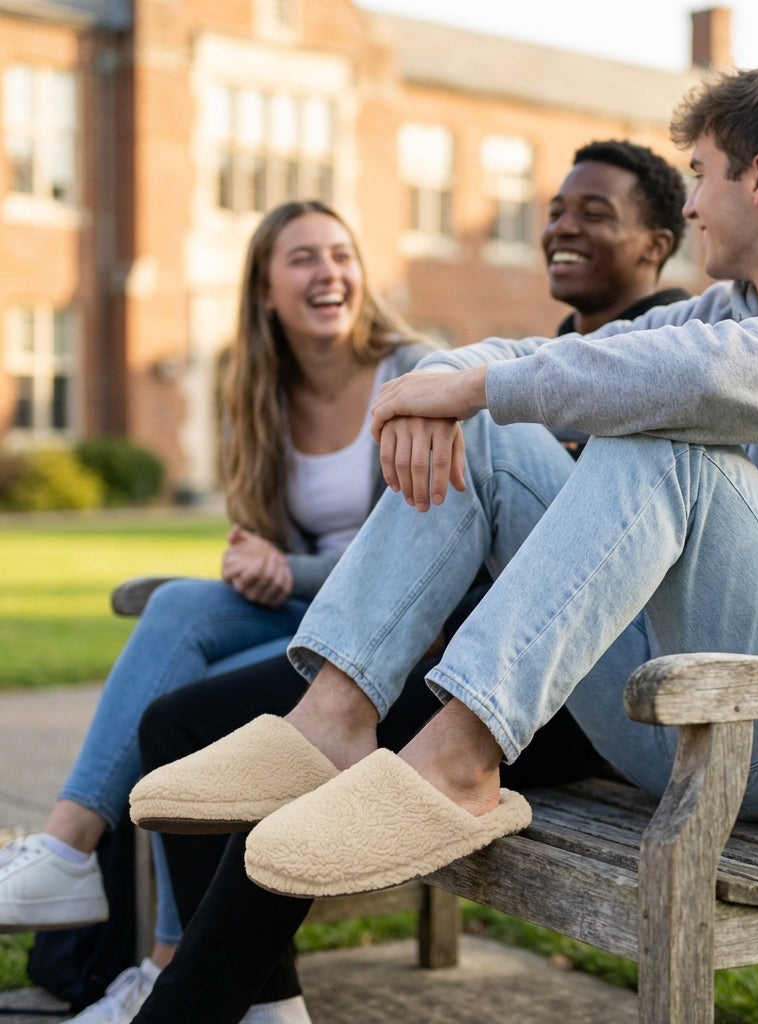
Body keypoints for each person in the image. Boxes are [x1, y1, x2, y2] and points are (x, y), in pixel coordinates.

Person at [129, 58, 758, 1023]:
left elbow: (698, 378)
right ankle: (334, 721)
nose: (690, 204)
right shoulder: (741, 306)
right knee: (486, 426)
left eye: (699, 173)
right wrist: (438, 388)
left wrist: (477, 385)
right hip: (670, 708)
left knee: (664, 446)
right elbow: (558, 359)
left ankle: (460, 762)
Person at [127, 139, 691, 1021]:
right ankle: (257, 1003)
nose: (560, 229)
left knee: (297, 762)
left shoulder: (672, 359)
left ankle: (188, 1007)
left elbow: (591, 562)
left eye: (594, 213)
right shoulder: (536, 362)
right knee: (178, 722)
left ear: (659, 241)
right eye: (555, 210)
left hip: (561, 694)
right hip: (458, 668)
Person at [0, 199, 437, 1023]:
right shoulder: (260, 393)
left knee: (188, 717)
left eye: (340, 254)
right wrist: (254, 560)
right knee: (178, 608)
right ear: (265, 290)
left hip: (393, 639)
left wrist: (288, 566)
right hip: (314, 625)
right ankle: (67, 847)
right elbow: (273, 545)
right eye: (303, 258)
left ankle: (160, 958)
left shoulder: (411, 372)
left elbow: (416, 557)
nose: (328, 273)